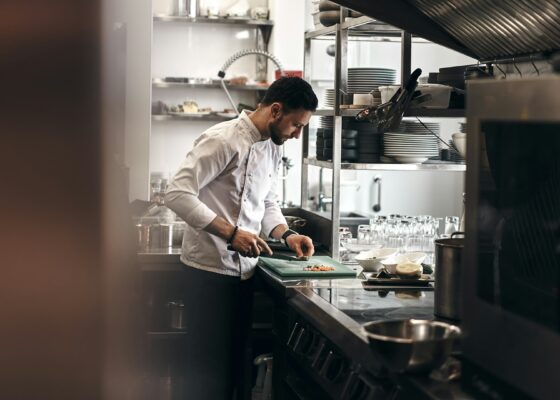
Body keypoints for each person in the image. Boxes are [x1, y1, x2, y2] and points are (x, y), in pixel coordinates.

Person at [164, 76, 318, 399]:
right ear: (276, 111)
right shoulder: (223, 139)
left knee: (236, 376)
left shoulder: (273, 148)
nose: (297, 134)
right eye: (296, 124)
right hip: (206, 274)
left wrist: (286, 234)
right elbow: (176, 193)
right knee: (205, 377)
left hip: (245, 276)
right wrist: (230, 233)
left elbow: (267, 202)